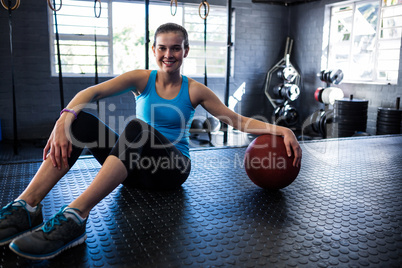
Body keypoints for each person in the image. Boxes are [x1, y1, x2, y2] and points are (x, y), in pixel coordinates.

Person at [0, 23, 302, 260]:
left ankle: (75, 216)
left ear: (185, 51)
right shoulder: (141, 79)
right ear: (153, 49)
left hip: (172, 169)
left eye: (176, 49)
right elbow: (89, 94)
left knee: (136, 128)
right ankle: (27, 205)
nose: (168, 55)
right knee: (82, 120)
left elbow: (234, 120)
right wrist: (63, 120)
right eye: (162, 48)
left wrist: (280, 130)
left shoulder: (195, 90)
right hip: (134, 166)